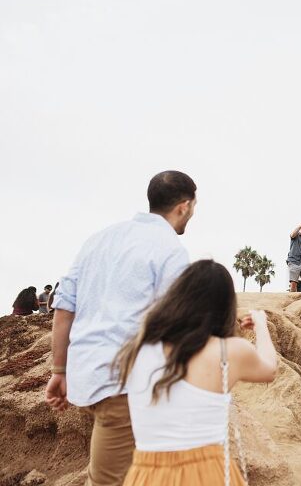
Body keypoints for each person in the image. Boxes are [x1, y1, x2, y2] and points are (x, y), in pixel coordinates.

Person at [44, 170, 197, 486]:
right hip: (124, 383)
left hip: (87, 376)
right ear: (184, 206)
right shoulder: (170, 249)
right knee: (107, 481)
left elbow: (63, 307)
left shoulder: (100, 238)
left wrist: (59, 370)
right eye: (193, 207)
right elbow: (178, 323)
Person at [115, 260, 278, 486]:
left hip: (145, 474)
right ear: (224, 308)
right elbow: (270, 368)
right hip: (204, 472)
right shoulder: (226, 351)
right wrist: (261, 324)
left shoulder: (136, 348)